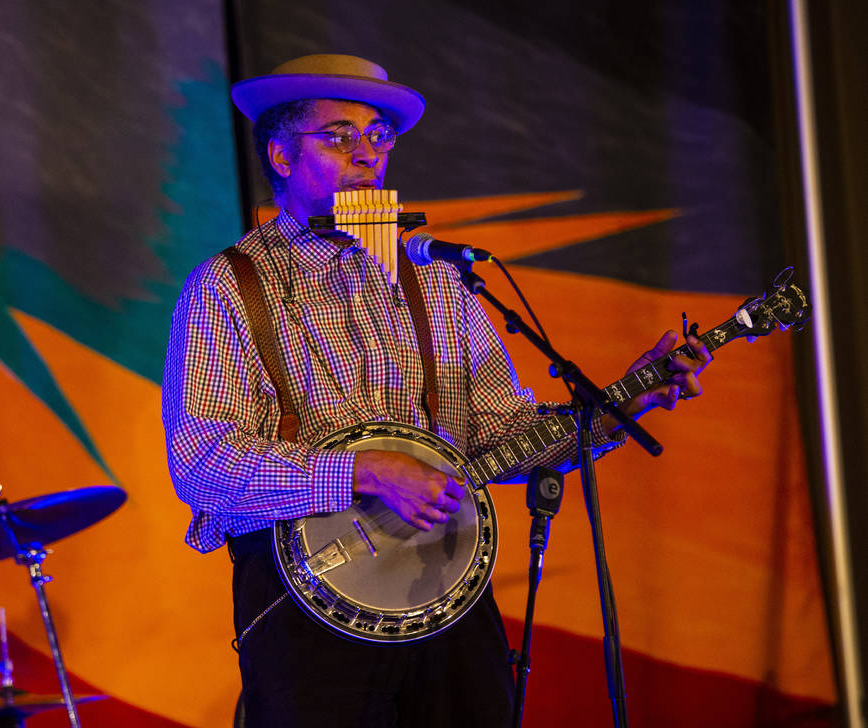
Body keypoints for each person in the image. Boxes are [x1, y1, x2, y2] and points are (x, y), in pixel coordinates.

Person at [162, 54, 710, 727]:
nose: (366, 154)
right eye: (337, 136)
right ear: (279, 153)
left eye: (379, 135)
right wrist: (367, 472)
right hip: (307, 613)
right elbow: (203, 463)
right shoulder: (226, 286)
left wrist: (623, 404)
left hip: (445, 595)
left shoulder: (440, 280)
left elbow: (505, 436)